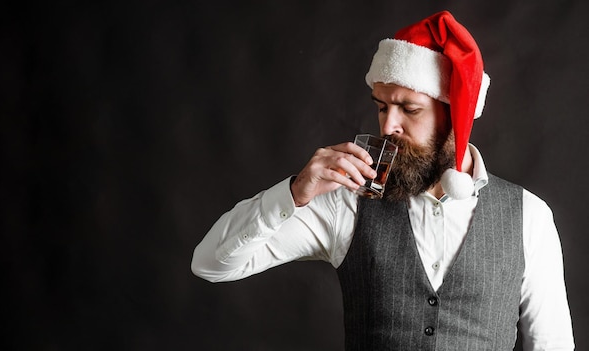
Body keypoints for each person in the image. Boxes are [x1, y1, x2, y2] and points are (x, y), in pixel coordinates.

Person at [191, 11, 575, 350]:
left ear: (453, 117)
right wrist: (294, 193)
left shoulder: (529, 216)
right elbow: (211, 264)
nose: (389, 125)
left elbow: (552, 343)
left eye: (409, 109)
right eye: (381, 106)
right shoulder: (347, 201)